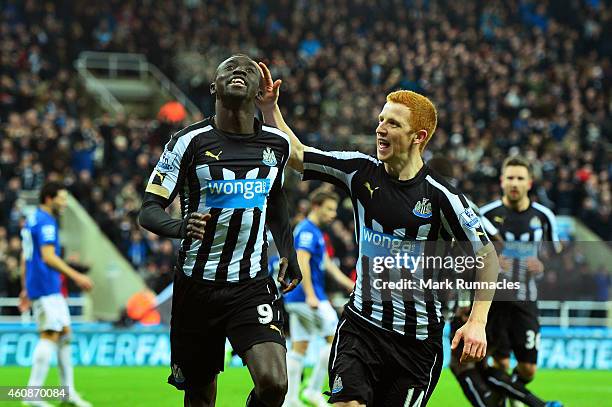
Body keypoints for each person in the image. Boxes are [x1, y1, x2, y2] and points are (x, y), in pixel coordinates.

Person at [257, 62, 499, 407]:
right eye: (381, 119)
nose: (380, 129)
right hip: (362, 329)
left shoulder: (441, 197)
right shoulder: (359, 171)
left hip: (417, 345)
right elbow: (298, 155)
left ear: (419, 137)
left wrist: (477, 322)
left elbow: (487, 256)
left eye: (393, 123)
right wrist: (270, 108)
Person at [138, 54, 302, 407]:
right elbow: (148, 210)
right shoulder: (188, 142)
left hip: (251, 284)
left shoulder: (277, 145)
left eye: (247, 70)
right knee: (200, 396)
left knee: (275, 385)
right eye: (229, 68)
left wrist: (288, 251)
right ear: (214, 87)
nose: (239, 71)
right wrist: (179, 226)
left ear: (259, 90)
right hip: (196, 288)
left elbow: (275, 203)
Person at [479, 156, 563, 407]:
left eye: (520, 178)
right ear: (502, 182)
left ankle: (512, 393)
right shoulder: (486, 215)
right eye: (510, 178)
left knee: (528, 370)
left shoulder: (544, 217)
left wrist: (544, 265)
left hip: (527, 301)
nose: (514, 183)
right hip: (494, 302)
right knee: (500, 363)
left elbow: (556, 255)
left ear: (530, 183)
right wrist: (490, 262)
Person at [20, 181, 94, 407]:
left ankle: (67, 393)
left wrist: (25, 287)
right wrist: (77, 276)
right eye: (61, 198)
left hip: (41, 285)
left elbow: (26, 257)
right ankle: (32, 394)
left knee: (64, 335)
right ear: (49, 198)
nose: (64, 203)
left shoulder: (32, 220)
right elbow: (48, 256)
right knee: (50, 334)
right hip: (46, 286)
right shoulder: (46, 223)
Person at [283, 189, 354, 407]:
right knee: (336, 341)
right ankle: (313, 390)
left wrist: (350, 285)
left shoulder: (315, 232)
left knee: (299, 347)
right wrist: (312, 295)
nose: (333, 214)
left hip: (297, 299)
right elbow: (301, 261)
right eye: (329, 209)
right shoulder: (306, 231)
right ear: (316, 207)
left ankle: (290, 399)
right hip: (308, 297)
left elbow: (328, 266)